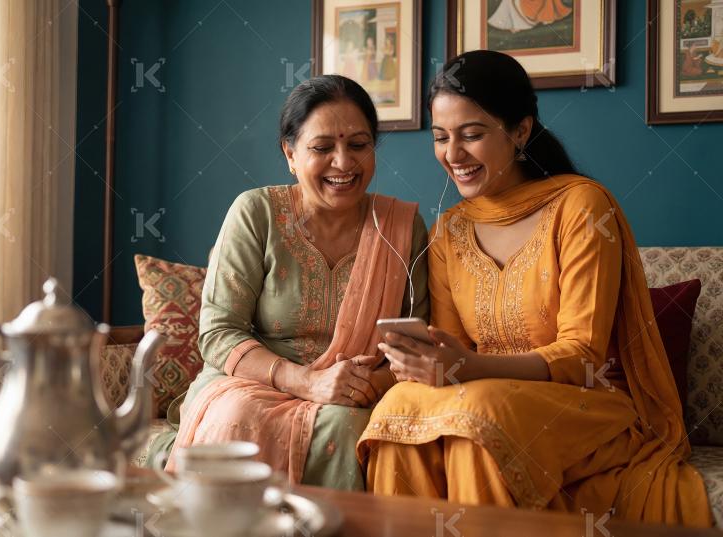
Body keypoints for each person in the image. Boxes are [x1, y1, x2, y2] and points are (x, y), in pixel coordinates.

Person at [356, 50, 712, 526]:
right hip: (486, 399)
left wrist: (467, 366)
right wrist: (423, 360)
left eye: (472, 134)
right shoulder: (449, 232)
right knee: (401, 405)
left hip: (588, 402)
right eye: (441, 137)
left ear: (520, 131)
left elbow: (583, 354)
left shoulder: (581, 207)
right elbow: (454, 346)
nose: (453, 155)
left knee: (480, 415)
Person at [160, 74, 429, 491]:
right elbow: (218, 333)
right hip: (251, 383)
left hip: (352, 394)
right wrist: (306, 381)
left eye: (358, 145)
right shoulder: (257, 213)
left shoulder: (402, 227)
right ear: (290, 153)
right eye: (322, 148)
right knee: (239, 416)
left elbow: (414, 341)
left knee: (347, 426)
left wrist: (362, 386)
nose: (343, 162)